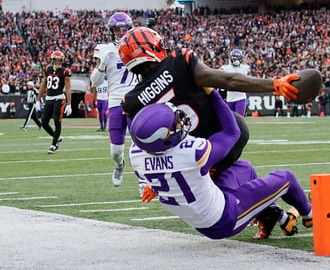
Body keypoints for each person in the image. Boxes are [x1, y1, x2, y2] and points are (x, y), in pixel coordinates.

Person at [119, 26, 301, 238]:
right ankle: (275, 215)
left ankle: (275, 213)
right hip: (225, 135)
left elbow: (145, 146)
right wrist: (274, 84)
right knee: (227, 184)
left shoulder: (131, 102)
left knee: (210, 196)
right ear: (153, 47)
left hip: (196, 153)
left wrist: (151, 181)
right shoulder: (180, 61)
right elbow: (228, 80)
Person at [128, 90, 313, 240]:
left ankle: (274, 215)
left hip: (202, 215)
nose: (180, 123)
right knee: (286, 178)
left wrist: (151, 185)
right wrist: (212, 93)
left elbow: (148, 176)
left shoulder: (136, 154)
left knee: (244, 169)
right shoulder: (191, 152)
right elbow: (233, 132)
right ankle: (309, 215)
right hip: (225, 218)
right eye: (175, 123)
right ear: (163, 138)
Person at [90, 12, 138, 187]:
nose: (120, 32)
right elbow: (94, 82)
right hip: (116, 100)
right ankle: (119, 165)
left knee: (140, 144)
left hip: (136, 100)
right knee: (115, 151)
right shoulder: (104, 49)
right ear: (111, 31)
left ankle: (142, 181)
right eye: (117, 29)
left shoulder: (137, 46)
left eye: (124, 28)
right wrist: (102, 64)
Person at [36, 50, 72, 154]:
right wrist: (38, 100)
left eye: (59, 60)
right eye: (56, 60)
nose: (57, 62)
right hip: (49, 98)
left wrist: (69, 104)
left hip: (59, 99)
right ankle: (57, 138)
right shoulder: (48, 69)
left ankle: (53, 144)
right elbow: (43, 85)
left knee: (57, 121)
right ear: (52, 60)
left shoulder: (65, 71)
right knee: (44, 122)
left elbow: (68, 88)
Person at [220, 49, 249, 116]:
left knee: (239, 119)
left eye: (238, 59)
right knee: (230, 120)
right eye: (235, 58)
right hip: (229, 98)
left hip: (240, 97)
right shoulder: (225, 68)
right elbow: (218, 73)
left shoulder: (245, 68)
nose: (236, 60)